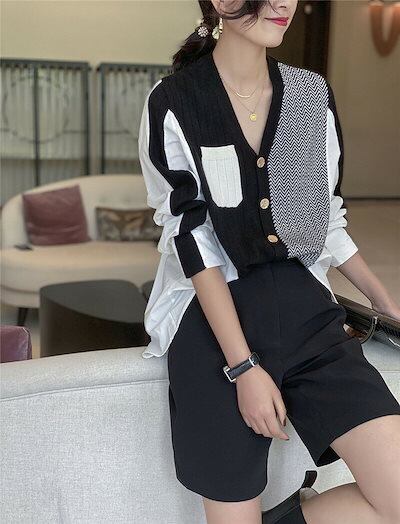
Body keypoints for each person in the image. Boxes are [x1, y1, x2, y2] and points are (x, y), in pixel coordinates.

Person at [138, 1, 400, 523]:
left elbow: (325, 218)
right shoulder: (175, 101)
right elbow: (192, 239)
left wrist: (382, 300)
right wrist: (243, 367)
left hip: (307, 313)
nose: (285, 3)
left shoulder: (309, 96)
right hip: (212, 326)